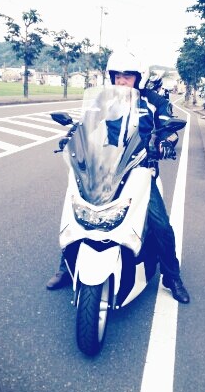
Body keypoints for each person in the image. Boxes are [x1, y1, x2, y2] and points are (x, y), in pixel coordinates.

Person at [46, 50, 190, 304]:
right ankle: (66, 267)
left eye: (128, 76)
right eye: (118, 76)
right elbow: (86, 125)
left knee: (160, 224)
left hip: (140, 168)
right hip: (105, 167)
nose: (122, 81)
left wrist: (166, 140)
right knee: (76, 210)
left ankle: (172, 276)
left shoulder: (153, 101)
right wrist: (73, 137)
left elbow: (167, 126)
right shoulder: (103, 100)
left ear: (138, 78)